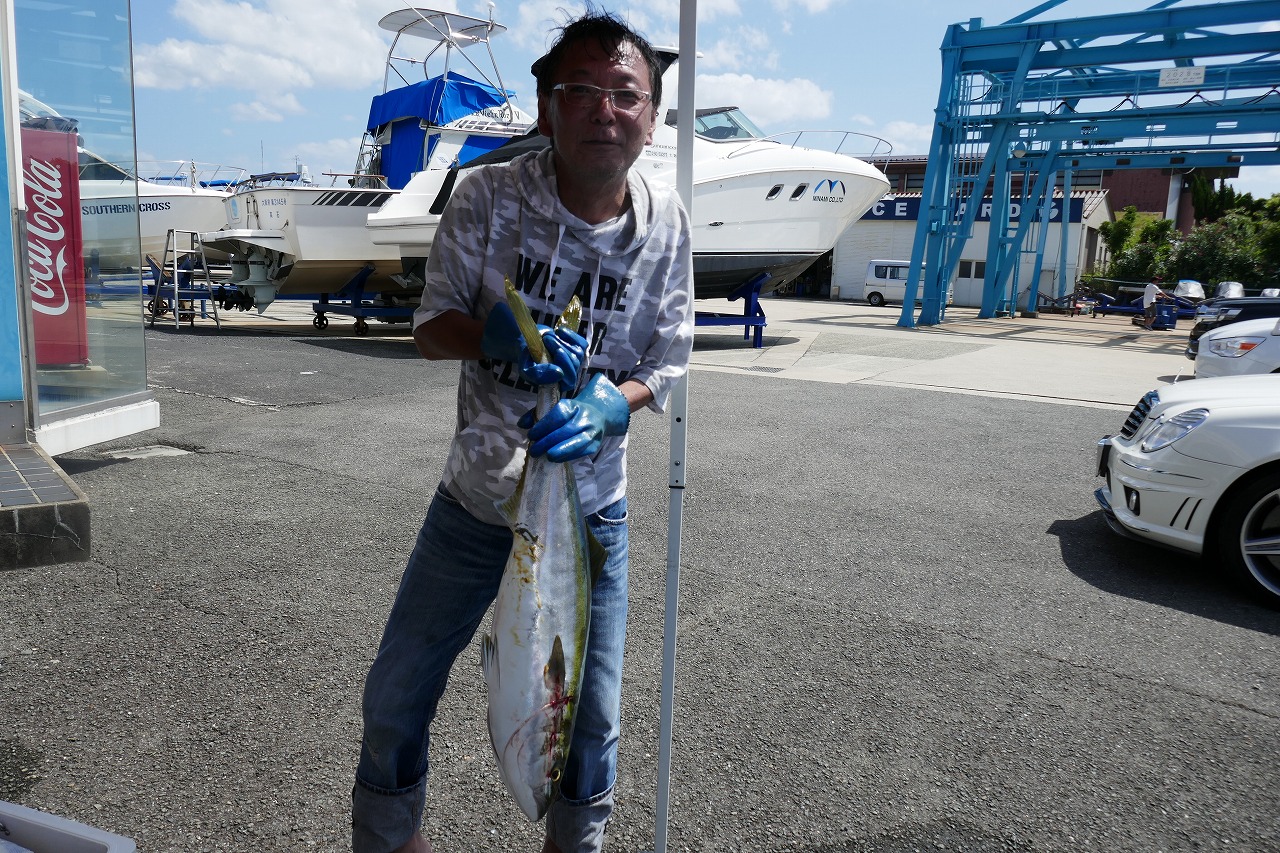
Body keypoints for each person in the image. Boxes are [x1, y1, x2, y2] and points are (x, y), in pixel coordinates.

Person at [351, 9, 694, 853]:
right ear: (546, 107)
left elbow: (671, 355)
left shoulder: (669, 223)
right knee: (396, 695)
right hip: (473, 500)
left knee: (592, 718)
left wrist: (620, 400)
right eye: (581, 90)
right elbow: (433, 327)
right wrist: (488, 336)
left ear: (651, 119)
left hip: (590, 513)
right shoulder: (489, 197)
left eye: (626, 94)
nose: (604, 109)